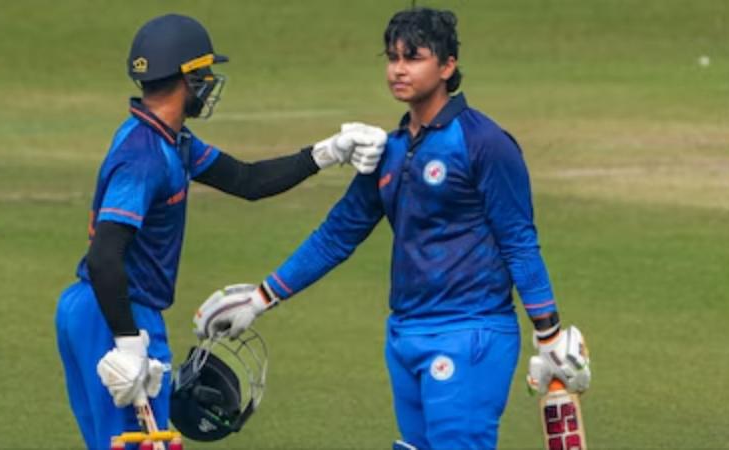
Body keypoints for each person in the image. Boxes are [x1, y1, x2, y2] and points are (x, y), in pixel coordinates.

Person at [196, 7, 591, 450]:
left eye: (413, 58)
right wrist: (260, 298)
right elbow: (336, 235)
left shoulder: (484, 143)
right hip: (404, 336)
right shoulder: (390, 149)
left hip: (470, 333)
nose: (398, 69)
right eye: (392, 57)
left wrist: (548, 333)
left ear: (447, 66)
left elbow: (519, 241)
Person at [54, 13, 387, 450]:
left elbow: (247, 181)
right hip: (116, 312)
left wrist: (327, 153)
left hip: (95, 308)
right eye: (204, 73)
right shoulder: (145, 157)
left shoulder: (172, 141)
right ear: (186, 78)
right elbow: (104, 256)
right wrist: (129, 344)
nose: (210, 83)